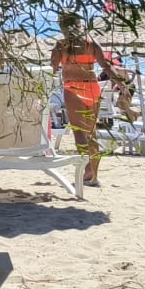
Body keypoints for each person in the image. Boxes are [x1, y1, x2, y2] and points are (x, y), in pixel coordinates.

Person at [53, 10, 129, 188]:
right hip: (92, 87)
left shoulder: (61, 45)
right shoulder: (91, 42)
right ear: (79, 23)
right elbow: (106, 66)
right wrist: (122, 85)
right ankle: (94, 175)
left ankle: (87, 170)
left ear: (62, 26)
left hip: (73, 87)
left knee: (79, 132)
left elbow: (54, 66)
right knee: (91, 132)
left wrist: (62, 63)